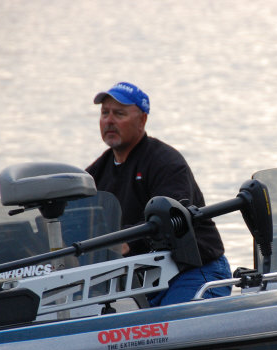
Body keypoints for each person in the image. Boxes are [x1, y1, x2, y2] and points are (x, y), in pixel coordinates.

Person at [86, 82, 231, 306]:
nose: (109, 120)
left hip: (192, 271)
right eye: (105, 113)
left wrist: (125, 241)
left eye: (119, 114)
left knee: (174, 323)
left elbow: (172, 219)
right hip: (139, 280)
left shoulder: (167, 163)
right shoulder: (95, 173)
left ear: (142, 120)